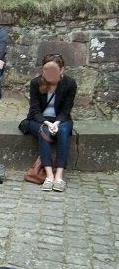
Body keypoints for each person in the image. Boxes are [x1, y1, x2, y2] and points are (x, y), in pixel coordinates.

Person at [25, 54, 77, 192]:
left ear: (61, 70)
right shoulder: (36, 83)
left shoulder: (70, 84)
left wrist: (57, 123)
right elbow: (35, 110)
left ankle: (59, 176)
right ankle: (49, 175)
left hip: (61, 119)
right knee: (45, 131)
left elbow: (66, 109)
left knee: (64, 131)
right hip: (40, 120)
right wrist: (48, 123)